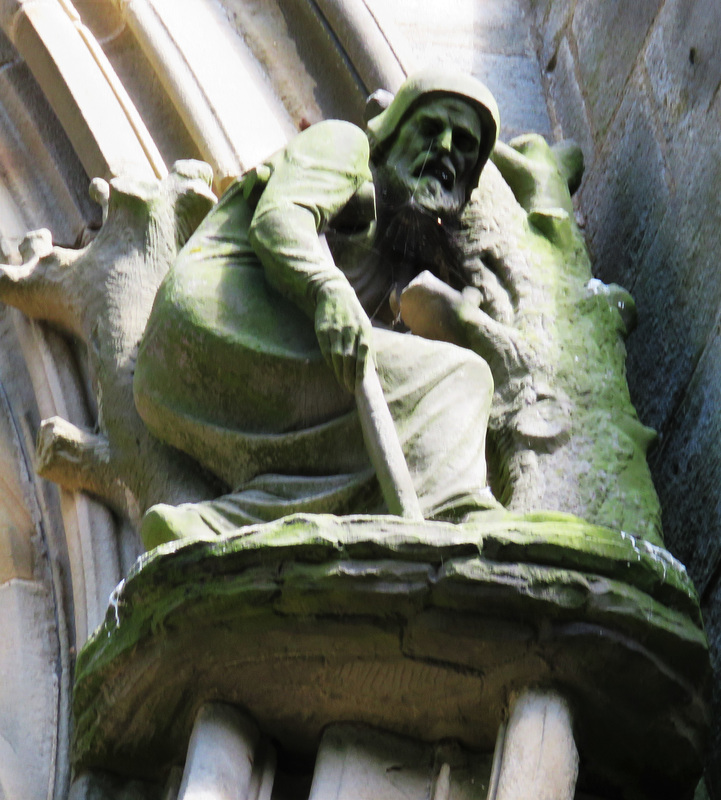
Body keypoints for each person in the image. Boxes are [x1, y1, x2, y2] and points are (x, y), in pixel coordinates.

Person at [134, 71, 502, 546]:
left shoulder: (396, 250)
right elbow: (280, 220)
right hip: (216, 314)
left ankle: (222, 524)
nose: (448, 148)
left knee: (389, 426)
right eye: (432, 129)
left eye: (466, 145)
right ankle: (456, 512)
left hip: (197, 381)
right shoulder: (345, 145)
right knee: (460, 378)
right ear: (389, 136)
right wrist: (327, 289)